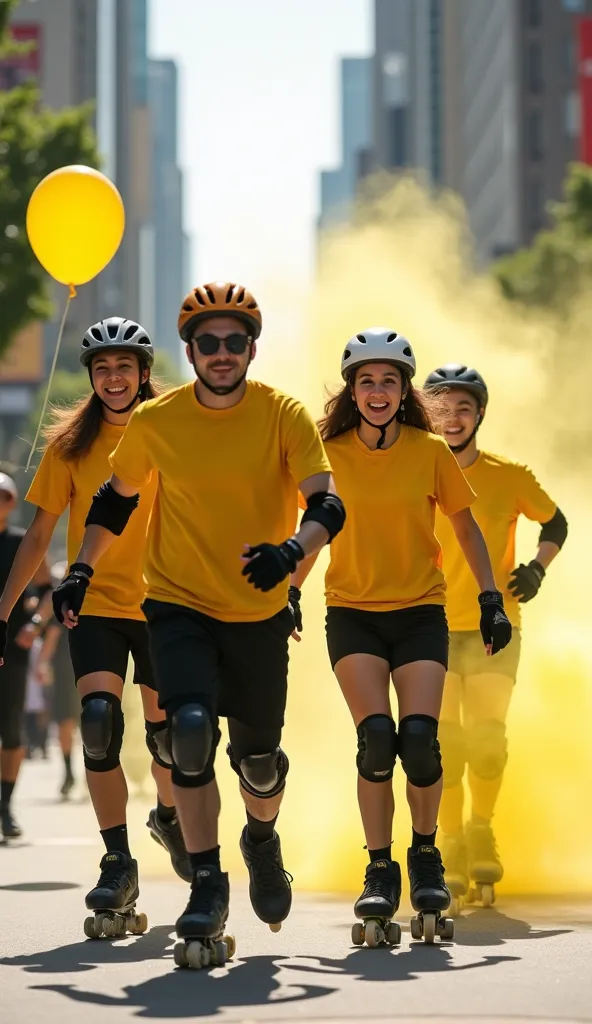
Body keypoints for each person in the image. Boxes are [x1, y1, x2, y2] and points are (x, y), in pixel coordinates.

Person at [52, 281, 344, 967]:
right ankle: (207, 882)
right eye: (207, 343)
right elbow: (114, 500)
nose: (220, 353)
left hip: (258, 610)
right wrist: (83, 570)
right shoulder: (160, 422)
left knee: (259, 763)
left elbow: (327, 506)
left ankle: (263, 841)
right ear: (188, 350)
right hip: (176, 605)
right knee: (185, 733)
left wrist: (291, 552)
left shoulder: (283, 415)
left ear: (250, 347)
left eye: (233, 341)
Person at [290, 328, 512, 946]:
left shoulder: (430, 450)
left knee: (420, 741)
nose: (379, 391)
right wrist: (289, 591)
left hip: (420, 612)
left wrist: (491, 598)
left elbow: (466, 529)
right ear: (352, 391)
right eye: (367, 380)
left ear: (405, 389)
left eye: (390, 380)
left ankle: (426, 856)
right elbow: (312, 529)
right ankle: (380, 867)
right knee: (376, 741)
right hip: (354, 612)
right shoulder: (326, 452)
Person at [0, 318, 190, 938]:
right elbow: (38, 535)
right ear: (92, 377)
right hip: (96, 605)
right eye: (102, 368)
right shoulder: (70, 447)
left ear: (142, 374)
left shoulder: (174, 430)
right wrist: (0, 614)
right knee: (100, 726)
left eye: (124, 367)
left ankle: (167, 813)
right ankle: (118, 860)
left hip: (165, 604)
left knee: (168, 739)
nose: (114, 378)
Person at [424, 364, 567, 911]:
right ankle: (452, 842)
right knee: (445, 748)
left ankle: (480, 829)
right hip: (429, 624)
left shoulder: (509, 475)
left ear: (480, 413)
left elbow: (556, 524)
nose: (453, 418)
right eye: (441, 408)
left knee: (485, 743)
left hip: (493, 626)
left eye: (463, 407)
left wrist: (536, 568)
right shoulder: (417, 468)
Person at [0, 471, 53, 840]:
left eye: (5, 495)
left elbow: (51, 590)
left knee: (12, 733)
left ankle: (5, 808)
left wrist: (33, 624)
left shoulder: (24, 542)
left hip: (12, 654)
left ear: (13, 502)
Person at [36, 561, 80, 799]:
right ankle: (76, 772)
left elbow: (52, 636)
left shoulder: (61, 602)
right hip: (80, 665)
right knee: (85, 721)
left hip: (65, 668)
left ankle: (69, 772)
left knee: (65, 721)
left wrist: (42, 664)